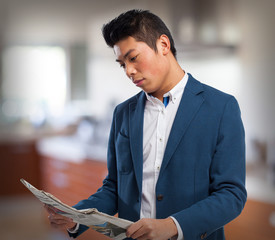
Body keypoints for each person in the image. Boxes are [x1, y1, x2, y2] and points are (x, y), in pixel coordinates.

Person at [45, 9, 247, 240]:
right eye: (122, 64)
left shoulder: (221, 107)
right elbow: (114, 188)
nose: (129, 71)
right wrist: (76, 216)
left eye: (133, 58)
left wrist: (173, 225)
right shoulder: (123, 114)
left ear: (163, 45)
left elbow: (231, 195)